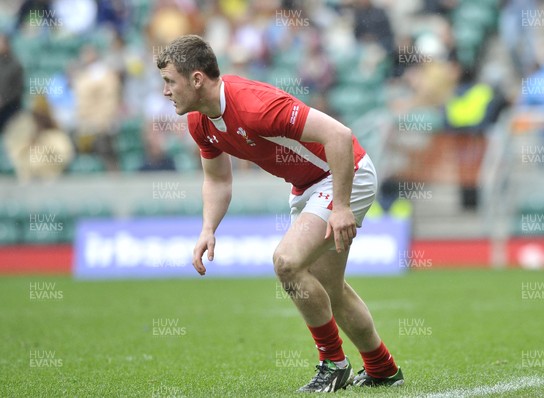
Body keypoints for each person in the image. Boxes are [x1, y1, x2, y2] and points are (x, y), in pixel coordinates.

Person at [156, 35, 403, 392]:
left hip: (345, 173)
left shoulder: (254, 106)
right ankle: (383, 369)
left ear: (196, 79)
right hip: (307, 187)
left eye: (169, 81)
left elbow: (339, 135)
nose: (165, 91)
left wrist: (343, 205)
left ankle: (333, 363)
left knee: (287, 262)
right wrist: (208, 228)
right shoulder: (200, 122)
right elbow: (218, 181)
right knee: (330, 290)